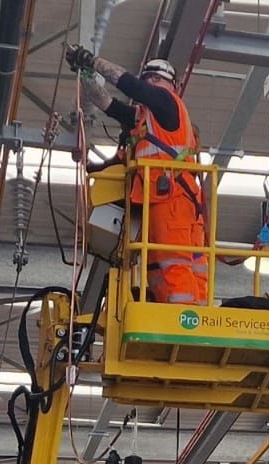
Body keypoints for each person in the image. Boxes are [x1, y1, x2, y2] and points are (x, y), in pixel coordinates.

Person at [66, 47, 208, 305]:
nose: (152, 82)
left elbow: (132, 87)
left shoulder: (167, 103)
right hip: (160, 200)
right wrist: (84, 73)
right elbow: (107, 104)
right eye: (148, 78)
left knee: (174, 261)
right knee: (159, 265)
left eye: (158, 78)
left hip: (173, 200)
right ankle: (176, 312)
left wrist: (94, 62)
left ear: (172, 86)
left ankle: (185, 316)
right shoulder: (145, 122)